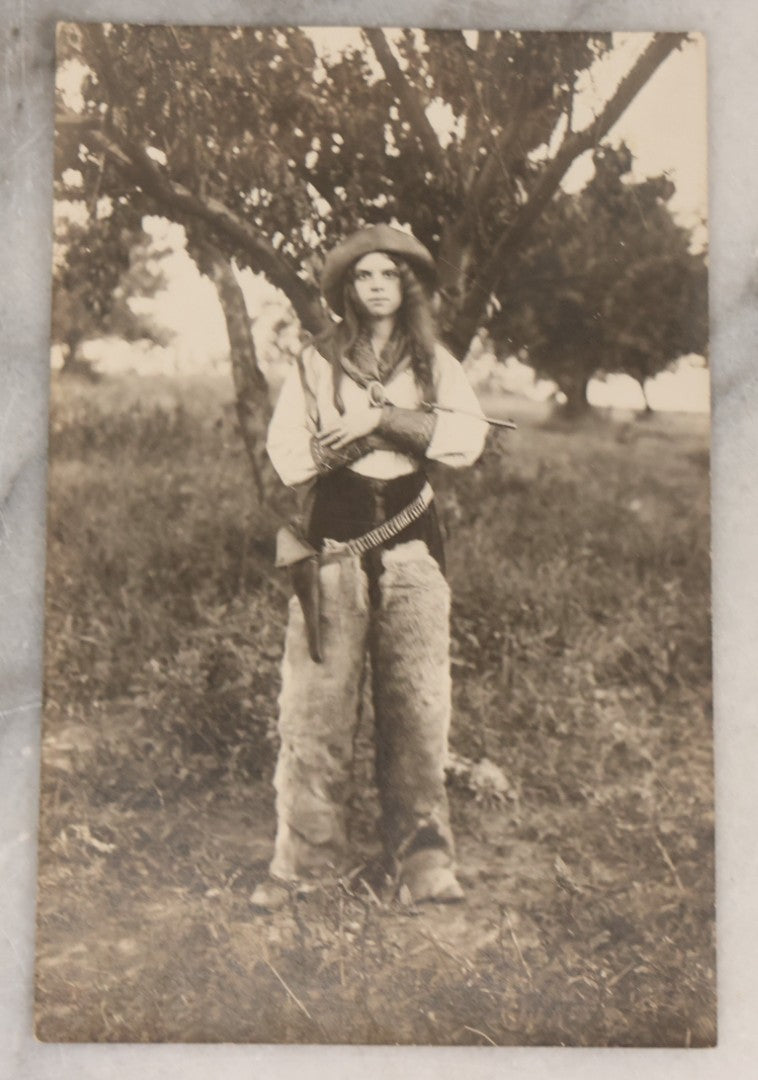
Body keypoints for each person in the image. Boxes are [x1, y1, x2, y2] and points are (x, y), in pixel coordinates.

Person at [251, 224, 487, 911]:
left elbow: (466, 439)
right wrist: (349, 438)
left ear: (408, 286)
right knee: (316, 708)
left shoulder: (434, 362)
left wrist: (382, 421)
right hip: (333, 541)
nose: (378, 286)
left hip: (414, 543)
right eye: (364, 275)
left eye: (390, 274)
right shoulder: (314, 363)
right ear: (347, 288)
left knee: (418, 706)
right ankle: (304, 866)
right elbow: (288, 455)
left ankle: (423, 862)